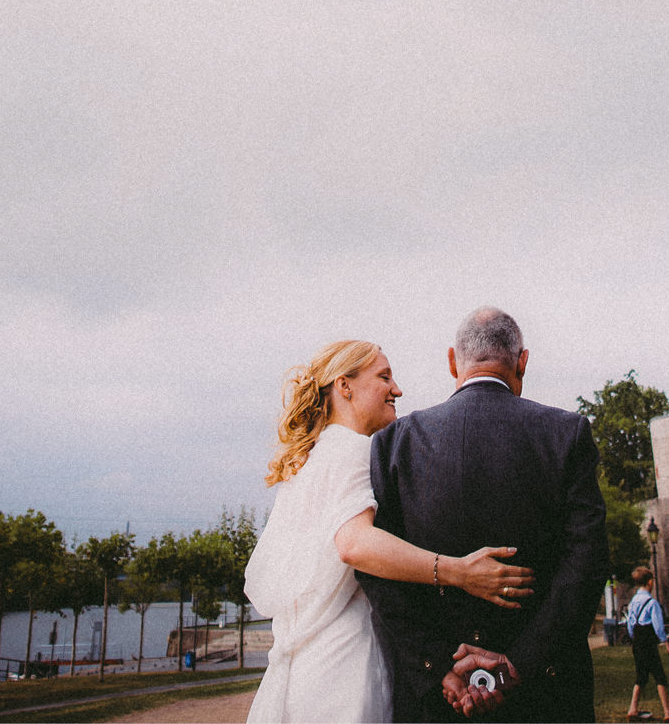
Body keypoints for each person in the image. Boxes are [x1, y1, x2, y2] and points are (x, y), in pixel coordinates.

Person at [244, 340, 535, 723]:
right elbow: (353, 544)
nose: (397, 389)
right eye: (384, 377)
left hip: (303, 671)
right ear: (344, 386)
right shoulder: (354, 448)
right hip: (346, 672)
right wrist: (459, 572)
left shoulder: (309, 462)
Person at [361, 307, 610, 721]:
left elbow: (378, 572)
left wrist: (437, 667)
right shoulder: (567, 433)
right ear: (522, 361)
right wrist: (519, 663)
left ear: (453, 361)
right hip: (546, 696)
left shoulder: (393, 444)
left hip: (437, 703)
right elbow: (586, 563)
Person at [624, 566, 669, 722]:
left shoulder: (633, 601)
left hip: (637, 642)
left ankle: (632, 709)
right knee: (659, 676)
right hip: (648, 641)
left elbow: (630, 624)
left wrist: (634, 638)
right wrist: (666, 644)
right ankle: (667, 712)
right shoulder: (652, 603)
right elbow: (658, 627)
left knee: (641, 676)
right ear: (650, 582)